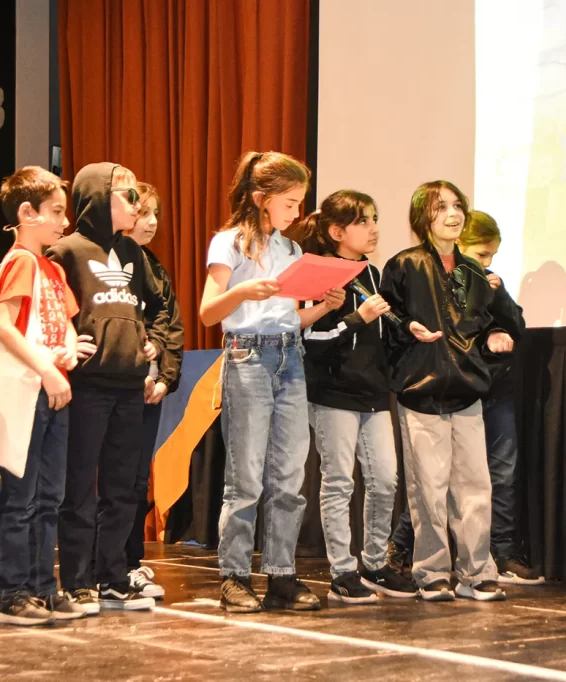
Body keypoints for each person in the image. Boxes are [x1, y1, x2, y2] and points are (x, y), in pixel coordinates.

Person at [200, 151, 343, 613]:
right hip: (247, 356)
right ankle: (235, 575)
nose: (296, 213)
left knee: (289, 475)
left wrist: (323, 307)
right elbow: (208, 312)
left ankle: (281, 575)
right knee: (245, 475)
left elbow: (289, 318)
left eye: (299, 203)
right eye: (290, 203)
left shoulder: (291, 250)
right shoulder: (229, 243)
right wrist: (243, 291)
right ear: (262, 198)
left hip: (289, 356)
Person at [379, 181, 520, 602]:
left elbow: (498, 322)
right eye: (442, 207)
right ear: (423, 217)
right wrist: (407, 327)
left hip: (467, 390)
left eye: (458, 206)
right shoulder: (404, 265)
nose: (453, 214)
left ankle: (477, 572)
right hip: (421, 391)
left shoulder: (473, 271)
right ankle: (431, 572)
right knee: (428, 489)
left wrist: (498, 333)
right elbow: (386, 320)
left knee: (475, 486)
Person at [47, 162, 167, 613]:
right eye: (126, 194)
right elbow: (49, 306)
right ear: (98, 197)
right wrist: (64, 342)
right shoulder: (66, 251)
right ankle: (78, 580)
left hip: (129, 385)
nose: (136, 203)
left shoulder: (133, 253)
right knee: (79, 487)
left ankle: (114, 577)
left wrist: (154, 343)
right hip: (87, 386)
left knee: (122, 487)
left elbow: (159, 307)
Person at [295, 190, 418, 604]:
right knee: (338, 482)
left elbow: (381, 332)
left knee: (385, 479)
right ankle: (342, 570)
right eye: (363, 221)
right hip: (332, 392)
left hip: (374, 392)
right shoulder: (318, 273)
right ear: (336, 232)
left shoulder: (371, 272)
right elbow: (311, 339)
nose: (373, 228)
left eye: (375, 219)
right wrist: (355, 318)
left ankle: (375, 563)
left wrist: (405, 329)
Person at [0, 166, 89, 626]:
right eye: (56, 212)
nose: (64, 222)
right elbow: (3, 326)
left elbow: (65, 322)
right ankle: (10, 593)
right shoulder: (20, 262)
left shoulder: (51, 267)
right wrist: (48, 368)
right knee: (19, 497)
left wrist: (66, 347)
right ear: (27, 213)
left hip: (51, 390)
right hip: (27, 391)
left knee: (49, 496)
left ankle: (43, 587)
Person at [121, 182, 184, 600]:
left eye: (156, 213)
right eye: (144, 213)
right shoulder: (109, 264)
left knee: (138, 479)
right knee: (115, 477)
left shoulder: (155, 268)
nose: (152, 221)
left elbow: (171, 326)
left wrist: (165, 378)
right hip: (120, 386)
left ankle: (129, 560)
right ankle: (108, 562)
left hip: (149, 389)